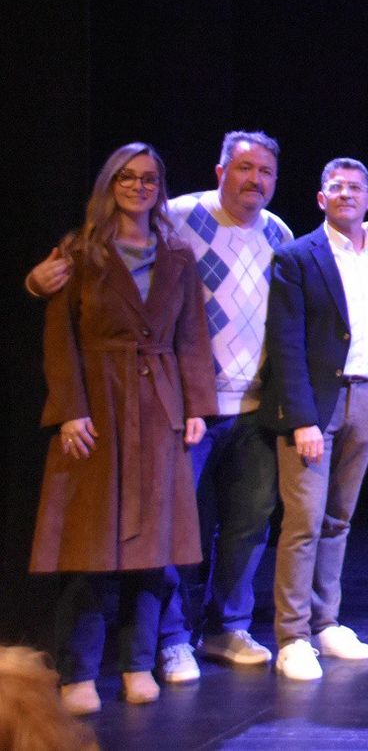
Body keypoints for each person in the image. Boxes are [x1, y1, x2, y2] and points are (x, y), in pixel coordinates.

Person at [26, 132, 292, 678]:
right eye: (244, 167)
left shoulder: (275, 231)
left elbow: (199, 326)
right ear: (220, 170)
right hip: (156, 403)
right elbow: (66, 313)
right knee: (163, 529)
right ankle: (170, 640)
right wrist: (34, 283)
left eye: (265, 171)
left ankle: (226, 628)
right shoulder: (178, 219)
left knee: (245, 524)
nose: (254, 180)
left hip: (243, 403)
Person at [30, 143, 215, 714]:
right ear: (111, 184)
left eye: (150, 179)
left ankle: (137, 663)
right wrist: (70, 410)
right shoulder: (80, 251)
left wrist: (195, 408)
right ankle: (78, 673)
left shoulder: (178, 254)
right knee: (88, 548)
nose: (139, 187)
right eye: (128, 178)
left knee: (153, 548)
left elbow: (191, 337)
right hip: (99, 406)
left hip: (158, 403)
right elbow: (59, 337)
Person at [261, 158, 368, 681]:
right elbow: (286, 343)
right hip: (315, 404)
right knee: (303, 521)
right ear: (321, 199)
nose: (346, 194)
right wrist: (301, 419)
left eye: (356, 188)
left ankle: (326, 623)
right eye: (336, 187)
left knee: (338, 518)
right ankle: (292, 636)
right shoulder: (296, 256)